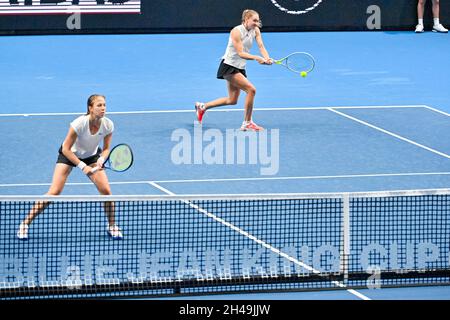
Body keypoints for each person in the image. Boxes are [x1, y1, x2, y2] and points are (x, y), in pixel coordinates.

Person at [17, 94, 123, 239]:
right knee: (54, 192)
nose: (103, 108)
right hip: (69, 155)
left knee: (106, 191)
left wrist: (102, 159)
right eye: (99, 105)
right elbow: (66, 148)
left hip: (91, 156)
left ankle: (112, 225)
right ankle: (25, 224)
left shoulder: (108, 124)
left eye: (104, 105)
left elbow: (106, 148)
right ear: (90, 108)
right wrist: (82, 166)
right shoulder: (79, 124)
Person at [195, 9, 272, 131]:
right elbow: (241, 53)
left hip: (240, 67)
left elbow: (261, 46)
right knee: (251, 90)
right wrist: (257, 58)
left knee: (232, 100)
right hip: (229, 67)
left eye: (258, 20)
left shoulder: (255, 30)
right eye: (254, 20)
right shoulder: (236, 32)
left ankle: (202, 106)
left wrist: (267, 58)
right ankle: (247, 123)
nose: (257, 23)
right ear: (246, 19)